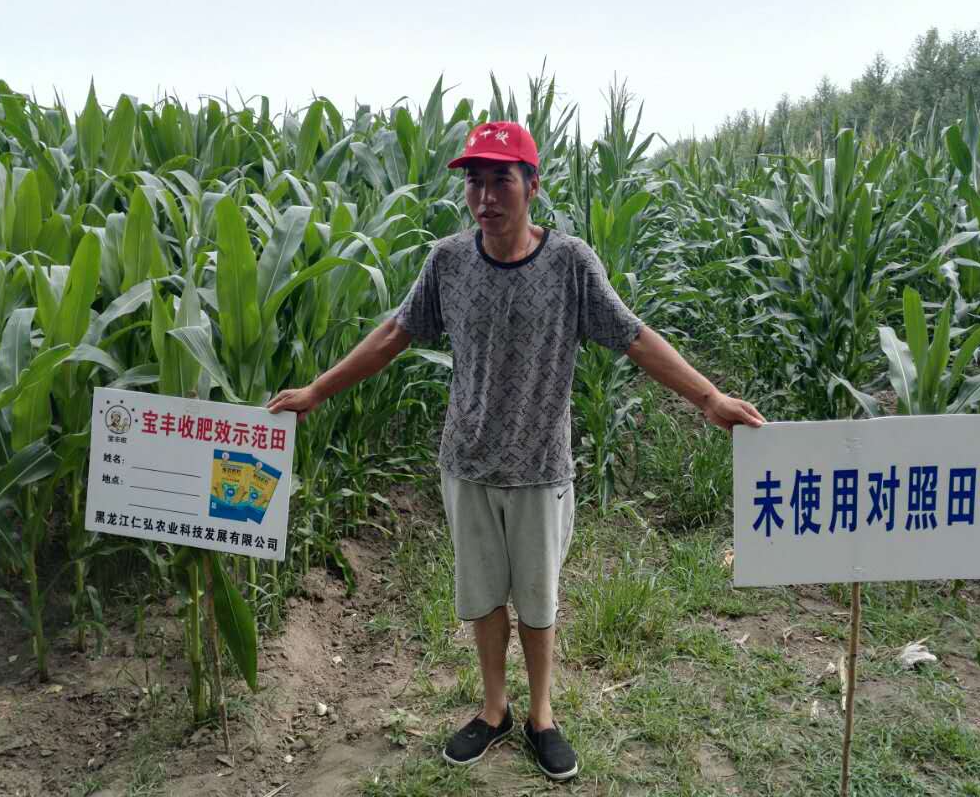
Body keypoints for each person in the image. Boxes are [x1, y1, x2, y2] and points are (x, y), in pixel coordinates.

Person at [267, 120, 766, 781]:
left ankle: (542, 715)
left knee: (537, 601)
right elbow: (393, 334)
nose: (485, 196)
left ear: (532, 185)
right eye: (474, 181)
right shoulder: (448, 262)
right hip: (467, 462)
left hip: (539, 466)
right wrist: (317, 391)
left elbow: (634, 337)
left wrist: (708, 398)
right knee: (481, 598)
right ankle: (493, 709)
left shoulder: (570, 264)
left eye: (500, 180)